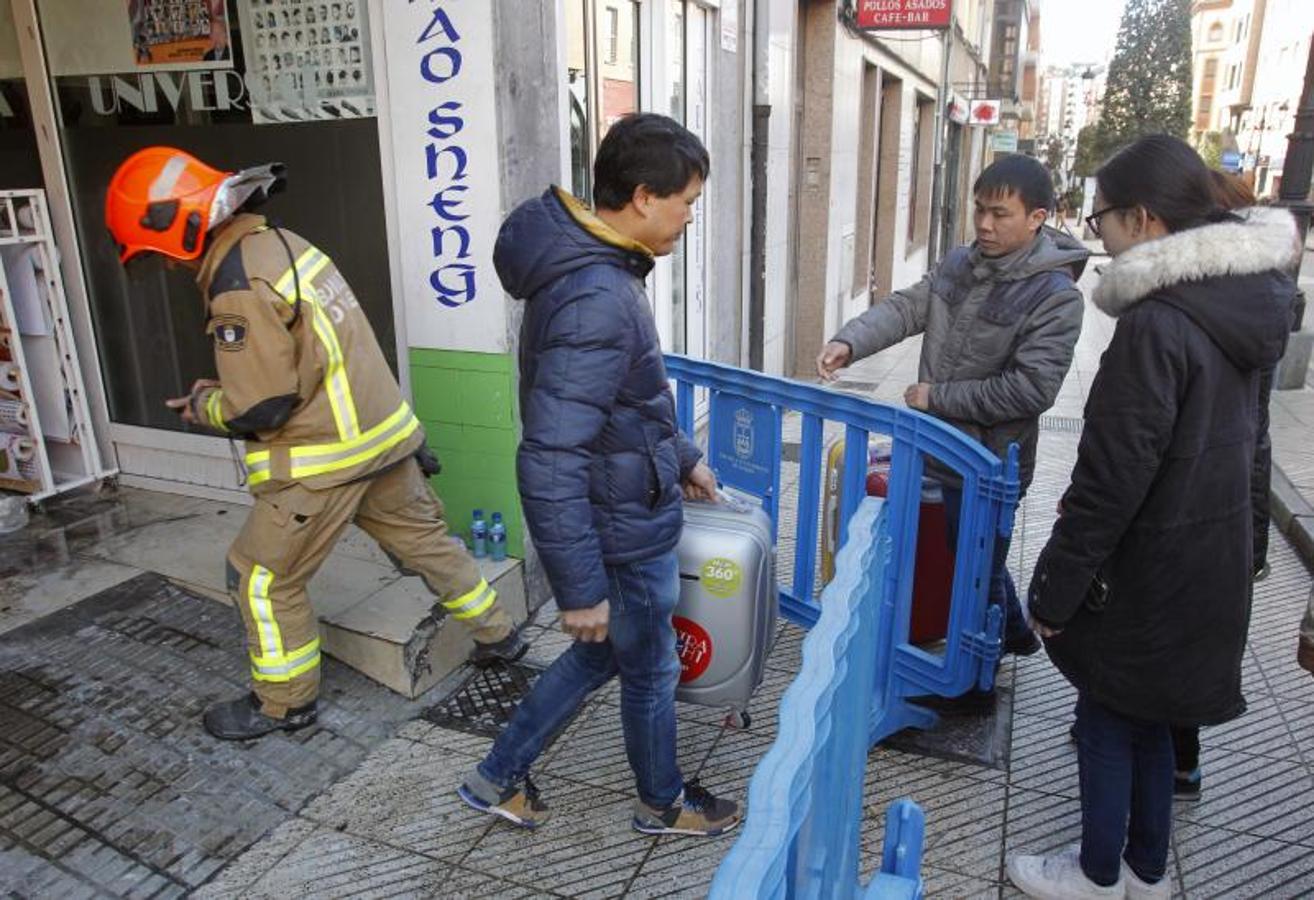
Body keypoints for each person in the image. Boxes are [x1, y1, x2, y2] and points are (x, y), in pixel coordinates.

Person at [104, 147, 526, 741]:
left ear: (175, 228)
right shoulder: (285, 246)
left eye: (159, 255)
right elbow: (320, 357)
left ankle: (283, 704)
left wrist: (208, 405)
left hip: (325, 463)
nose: (167, 267)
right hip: (382, 444)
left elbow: (264, 405)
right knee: (429, 545)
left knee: (259, 578)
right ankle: (500, 635)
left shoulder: (237, 283)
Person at [1006, 135, 1298, 900]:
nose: (1096, 233)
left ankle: (1099, 873)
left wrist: (1053, 591)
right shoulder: (1245, 302)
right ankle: (1147, 867)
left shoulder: (1157, 324)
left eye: (1101, 216)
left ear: (1142, 219)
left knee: (1107, 716)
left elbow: (1110, 479)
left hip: (1148, 562)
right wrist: (1252, 553)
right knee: (1153, 719)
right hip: (1209, 555)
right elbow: (1257, 446)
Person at [458, 113, 741, 837]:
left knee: (601, 661)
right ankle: (662, 802)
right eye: (687, 202)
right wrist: (580, 589)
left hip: (622, 513)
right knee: (646, 670)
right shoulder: (598, 296)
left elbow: (627, 404)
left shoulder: (598, 271)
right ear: (645, 197)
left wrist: (682, 459)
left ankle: (494, 776)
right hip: (620, 533)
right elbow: (551, 455)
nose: (688, 218)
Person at [816, 154, 1090, 678]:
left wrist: (936, 397)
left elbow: (1032, 389)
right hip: (935, 448)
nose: (985, 225)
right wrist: (849, 341)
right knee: (966, 558)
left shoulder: (1055, 296)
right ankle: (1008, 637)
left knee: (976, 569)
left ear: (1037, 218)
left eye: (1000, 214)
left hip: (990, 464)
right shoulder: (961, 264)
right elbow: (906, 307)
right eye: (980, 210)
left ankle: (976, 679)